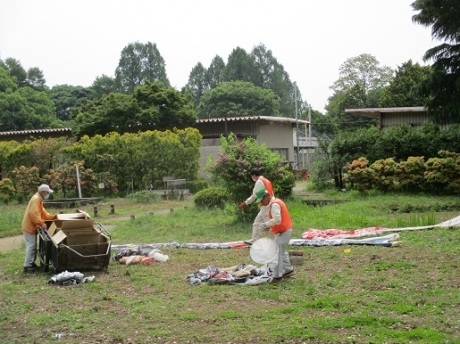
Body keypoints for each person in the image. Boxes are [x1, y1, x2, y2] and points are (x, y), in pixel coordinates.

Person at [255, 187, 294, 283]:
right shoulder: (275, 202)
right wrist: (269, 226)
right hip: (284, 230)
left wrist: (266, 224)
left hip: (284, 231)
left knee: (276, 253)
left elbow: (277, 220)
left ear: (266, 196)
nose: (261, 204)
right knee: (282, 251)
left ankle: (277, 276)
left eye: (261, 201)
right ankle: (288, 270)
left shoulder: (275, 204)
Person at [21, 184, 57, 273]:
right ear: (43, 192)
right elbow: (34, 215)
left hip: (31, 226)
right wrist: (41, 223)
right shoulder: (36, 199)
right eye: (47, 192)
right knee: (31, 246)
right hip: (29, 227)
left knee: (33, 246)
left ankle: (31, 263)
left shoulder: (39, 200)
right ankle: (27, 266)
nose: (48, 194)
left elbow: (43, 213)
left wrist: (54, 217)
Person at [238, 168, 274, 245]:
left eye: (252, 176)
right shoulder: (266, 180)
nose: (252, 178)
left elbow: (255, 195)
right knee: (257, 223)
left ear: (254, 175)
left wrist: (245, 203)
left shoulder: (259, 182)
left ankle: (274, 242)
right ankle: (254, 240)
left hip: (266, 205)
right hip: (268, 204)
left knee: (270, 225)